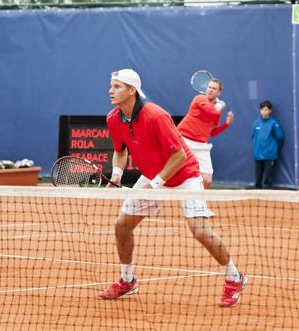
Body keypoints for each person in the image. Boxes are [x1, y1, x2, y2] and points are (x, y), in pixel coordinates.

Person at [99, 68, 247, 307]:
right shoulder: (113, 118)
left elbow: (178, 155)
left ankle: (234, 276)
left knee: (200, 231)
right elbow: (119, 151)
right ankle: (127, 280)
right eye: (111, 85)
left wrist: (156, 185)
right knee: (122, 226)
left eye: (116, 86)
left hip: (184, 174)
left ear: (132, 90)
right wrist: (116, 175)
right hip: (152, 175)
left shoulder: (156, 115)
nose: (110, 90)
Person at [177, 79, 234, 189]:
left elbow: (211, 132)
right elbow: (212, 111)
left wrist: (226, 124)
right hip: (184, 141)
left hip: (201, 146)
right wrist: (220, 104)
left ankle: (202, 206)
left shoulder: (217, 109)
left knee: (207, 181)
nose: (210, 90)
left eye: (214, 88)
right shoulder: (200, 98)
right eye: (209, 87)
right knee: (172, 175)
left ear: (219, 93)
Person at [251, 100, 284, 189]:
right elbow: (253, 136)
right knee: (258, 176)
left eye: (266, 109)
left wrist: (272, 147)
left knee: (268, 177)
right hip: (258, 154)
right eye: (262, 109)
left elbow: (280, 137)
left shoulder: (273, 123)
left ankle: (267, 190)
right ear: (260, 110)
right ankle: (257, 190)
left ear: (270, 111)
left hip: (270, 154)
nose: (264, 111)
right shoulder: (256, 123)